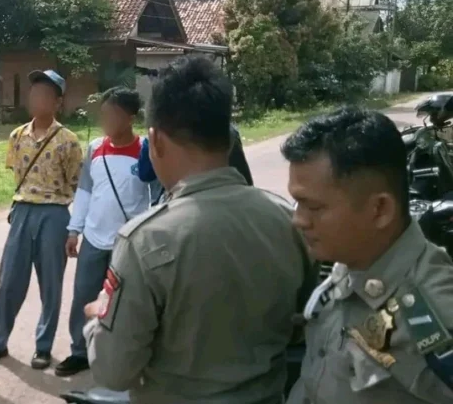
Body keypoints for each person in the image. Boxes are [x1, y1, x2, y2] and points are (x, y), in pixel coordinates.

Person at [82, 55, 316, 403]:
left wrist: (96, 318)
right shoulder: (288, 221)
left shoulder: (145, 241)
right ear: (229, 140)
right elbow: (300, 329)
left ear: (156, 141)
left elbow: (115, 371)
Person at [283, 106, 453, 403]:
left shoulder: (432, 315)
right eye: (297, 203)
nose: (298, 220)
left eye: (314, 207)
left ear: (380, 209)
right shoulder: (352, 264)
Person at [0, 69, 83, 370]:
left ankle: (43, 347)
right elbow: (18, 176)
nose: (36, 99)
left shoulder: (69, 141)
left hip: (55, 214)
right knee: (9, 280)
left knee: (51, 283)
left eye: (44, 94)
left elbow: (75, 184)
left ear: (58, 102)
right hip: (22, 211)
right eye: (33, 93)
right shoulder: (17, 136)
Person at [56, 86, 151, 377]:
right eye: (105, 113)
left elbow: (157, 197)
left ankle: (121, 356)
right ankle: (80, 351)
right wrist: (75, 230)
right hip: (94, 240)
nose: (106, 120)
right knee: (83, 296)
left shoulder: (146, 151)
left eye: (113, 114)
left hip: (127, 244)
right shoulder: (96, 148)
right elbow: (85, 192)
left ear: (130, 117)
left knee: (125, 302)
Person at [140, 124, 253, 205]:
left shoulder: (159, 134)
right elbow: (244, 177)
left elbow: (145, 174)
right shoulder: (226, 129)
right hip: (228, 201)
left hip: (177, 205)